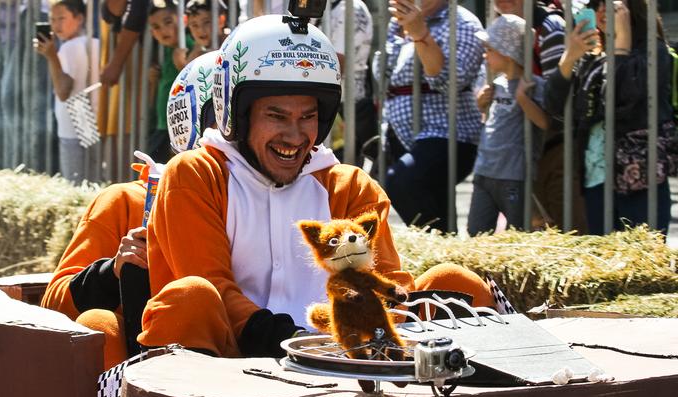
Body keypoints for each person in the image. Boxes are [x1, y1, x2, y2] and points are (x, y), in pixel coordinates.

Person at [121, 15, 494, 359]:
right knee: (190, 297)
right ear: (236, 113)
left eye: (309, 116)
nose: (295, 135)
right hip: (229, 364)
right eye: (276, 116)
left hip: (338, 358)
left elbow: (384, 286)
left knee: (457, 283)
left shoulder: (350, 186)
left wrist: (375, 336)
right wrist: (294, 343)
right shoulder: (195, 174)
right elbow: (211, 288)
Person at [42, 51, 220, 369]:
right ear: (190, 122)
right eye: (226, 121)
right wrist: (112, 272)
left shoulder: (280, 206)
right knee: (97, 323)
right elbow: (54, 303)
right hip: (137, 365)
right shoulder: (124, 201)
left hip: (236, 361)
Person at [544, 0, 675, 235]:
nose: (602, 11)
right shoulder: (593, 57)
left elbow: (624, 99)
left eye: (610, 4)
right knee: (604, 262)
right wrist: (569, 58)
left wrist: (622, 45)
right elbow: (555, 108)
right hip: (596, 180)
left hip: (639, 181)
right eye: (595, 5)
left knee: (640, 265)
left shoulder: (653, 50)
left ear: (630, 9)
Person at [378, 0, 485, 233]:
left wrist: (420, 34)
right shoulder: (398, 22)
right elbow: (383, 75)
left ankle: (438, 247)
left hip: (448, 133)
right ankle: (442, 262)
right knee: (431, 203)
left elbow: (451, 81)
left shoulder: (463, 23)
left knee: (402, 182)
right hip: (401, 132)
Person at [492, 0, 587, 232]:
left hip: (555, 149)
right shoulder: (502, 27)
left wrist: (523, 99)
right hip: (525, 152)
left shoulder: (550, 27)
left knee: (570, 232)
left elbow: (557, 100)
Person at [467, 15, 550, 235]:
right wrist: (481, 102)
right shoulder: (495, 84)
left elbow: (543, 122)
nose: (485, 55)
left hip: (514, 175)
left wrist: (523, 99)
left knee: (518, 236)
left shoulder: (533, 85)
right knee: (476, 233)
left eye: (490, 50)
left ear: (508, 53)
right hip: (484, 171)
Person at [34, 0, 100, 185]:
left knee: (74, 181)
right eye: (52, 19)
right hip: (86, 113)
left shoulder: (69, 47)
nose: (56, 25)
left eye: (62, 18)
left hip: (73, 117)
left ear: (79, 18)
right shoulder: (95, 42)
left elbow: (63, 91)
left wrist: (51, 56)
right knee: (91, 178)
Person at [324, 0, 376, 166]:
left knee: (341, 178)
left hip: (346, 108)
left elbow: (336, 66)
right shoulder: (323, 7)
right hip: (330, 103)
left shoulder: (351, 8)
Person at [145, 0, 189, 164]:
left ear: (183, 21)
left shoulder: (188, 48)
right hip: (163, 123)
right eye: (156, 27)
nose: (163, 30)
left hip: (178, 124)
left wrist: (183, 66)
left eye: (168, 22)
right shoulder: (165, 52)